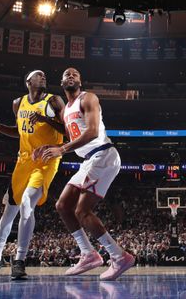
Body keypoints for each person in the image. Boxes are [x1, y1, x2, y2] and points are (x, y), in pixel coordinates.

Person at [34, 67, 135, 281]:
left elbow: (91, 131)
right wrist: (47, 138)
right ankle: (88, 254)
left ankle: (119, 256)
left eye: (75, 74)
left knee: (82, 211)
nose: (71, 76)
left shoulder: (88, 98)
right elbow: (70, 132)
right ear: (61, 83)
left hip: (103, 155)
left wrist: (61, 149)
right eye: (67, 74)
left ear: (80, 81)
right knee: (62, 206)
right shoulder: (65, 110)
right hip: (88, 160)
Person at [0, 69, 65, 280]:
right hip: (23, 160)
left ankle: (19, 260)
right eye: (39, 75)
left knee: (27, 203)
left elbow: (67, 131)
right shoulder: (18, 103)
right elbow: (18, 130)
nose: (43, 77)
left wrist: (45, 118)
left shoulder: (54, 101)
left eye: (44, 76)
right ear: (28, 81)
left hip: (46, 159)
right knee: (9, 210)